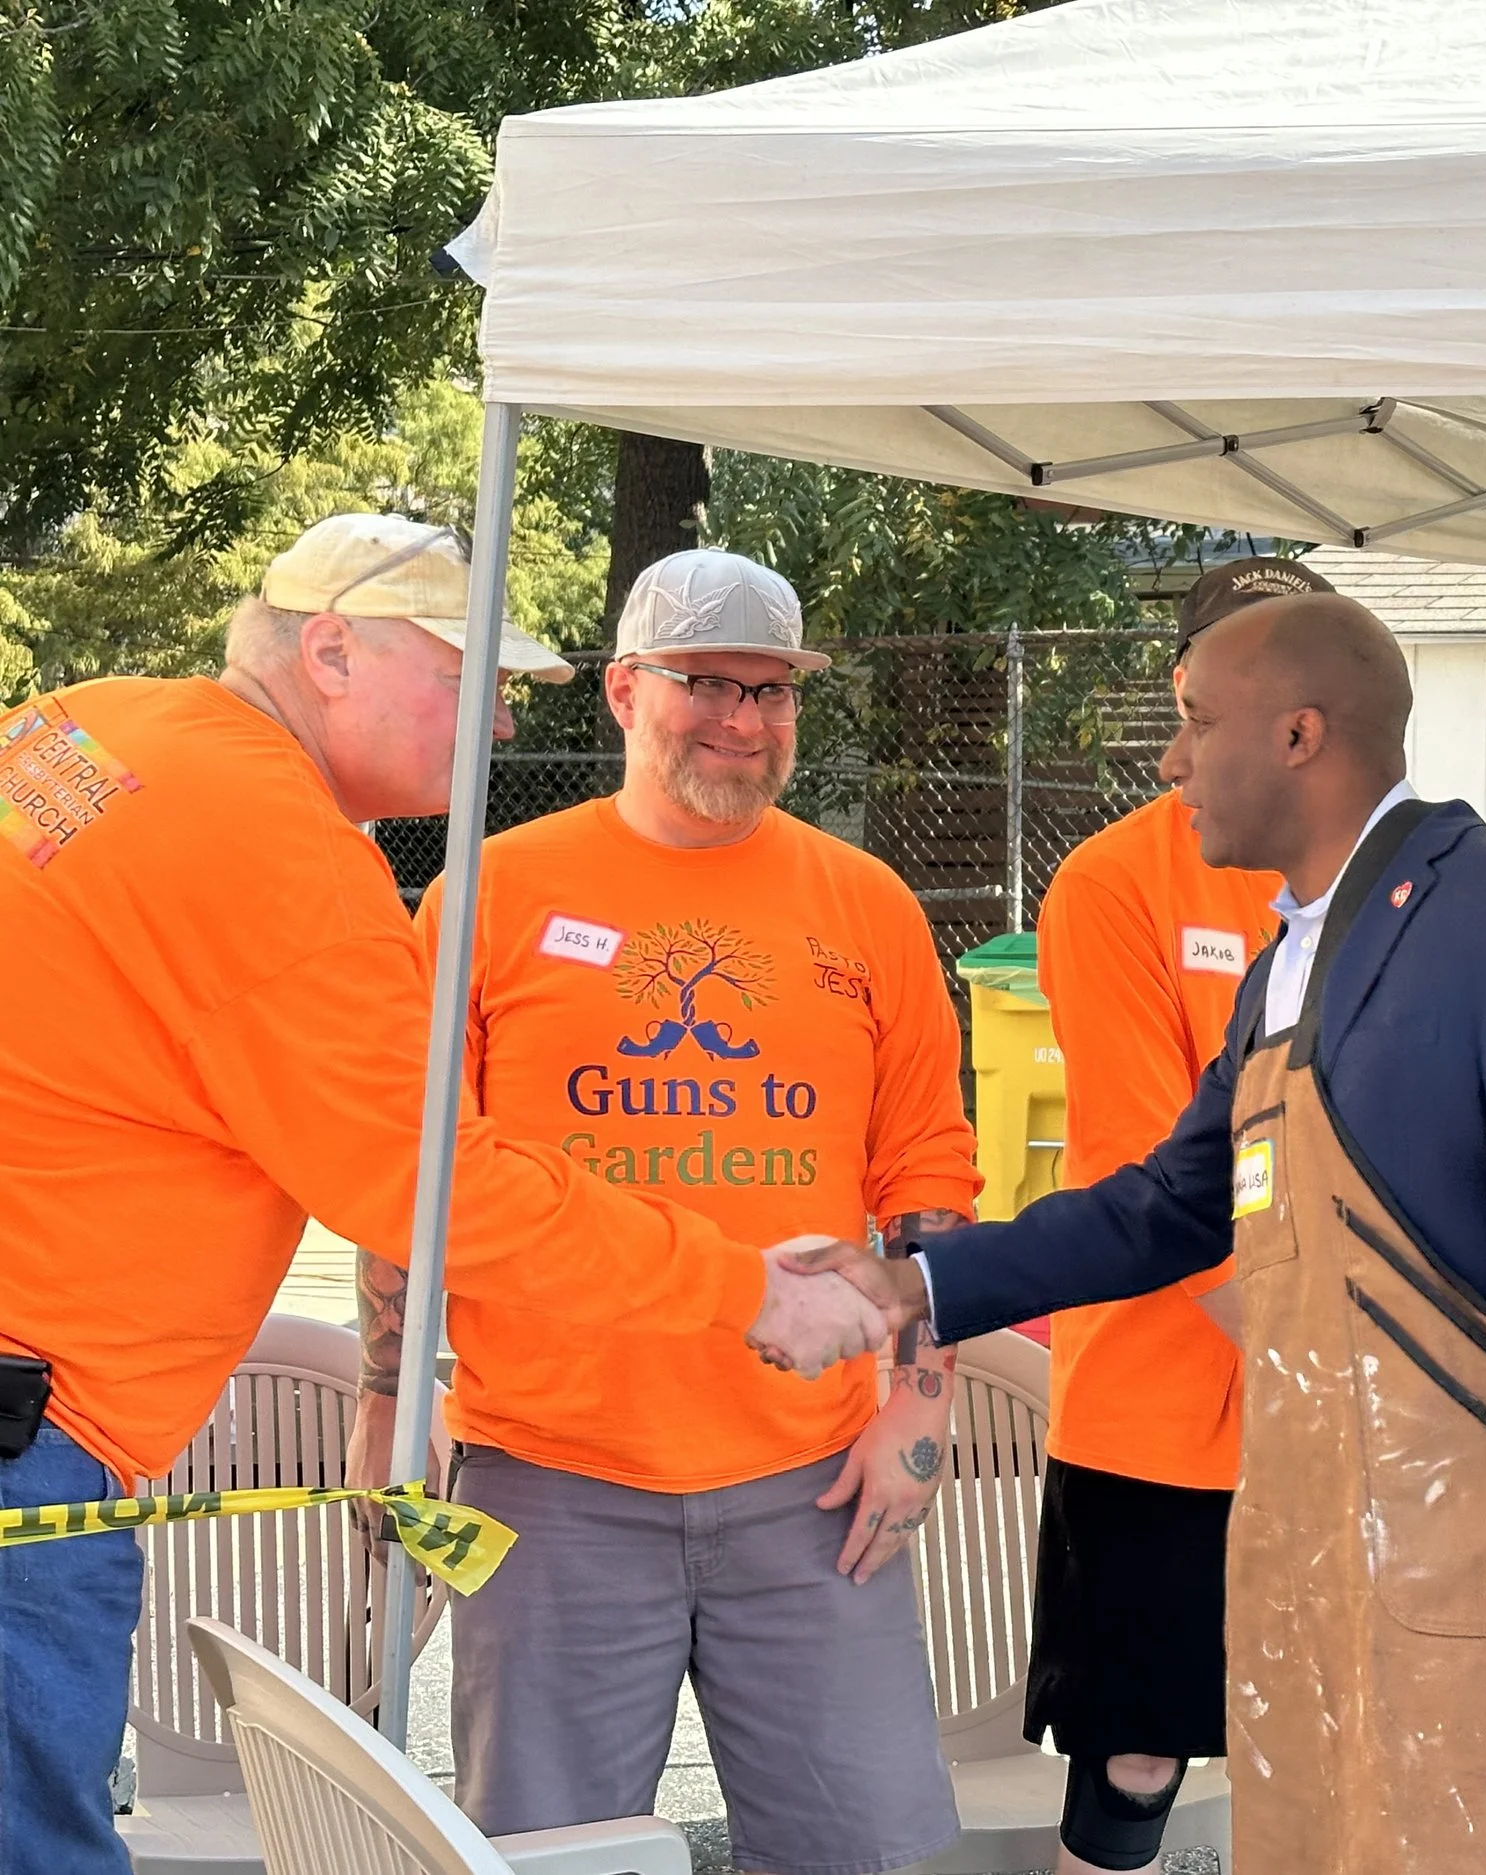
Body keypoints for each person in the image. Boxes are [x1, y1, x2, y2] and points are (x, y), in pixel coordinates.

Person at [0, 516, 881, 1875]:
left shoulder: (84, 728)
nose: (499, 730)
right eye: (468, 681)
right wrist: (752, 1285)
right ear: (334, 650)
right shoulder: (279, 846)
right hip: (31, 1422)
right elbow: (434, 1185)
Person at [803, 590, 1486, 1874]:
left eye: (1193, 722)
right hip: (1331, 1541)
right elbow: (1168, 1204)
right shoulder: (1297, 953)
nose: (1170, 760)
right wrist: (907, 1285)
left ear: (1298, 735)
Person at [348, 549, 977, 1875]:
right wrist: (383, 1402)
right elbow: (411, 1174)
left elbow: (928, 1174)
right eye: (707, 684)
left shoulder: (864, 905)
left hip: (813, 1480)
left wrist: (919, 1408)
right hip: (554, 1478)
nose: (743, 722)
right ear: (626, 691)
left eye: (772, 692)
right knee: (550, 1856)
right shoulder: (490, 895)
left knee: (872, 1845)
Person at [1022, 558, 1320, 1874]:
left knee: (1336, 1737)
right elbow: (1158, 1173)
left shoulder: (1400, 876)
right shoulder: (1115, 879)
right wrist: (1320, 1351)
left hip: (1337, 1399)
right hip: (1161, 1401)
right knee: (1137, 1752)